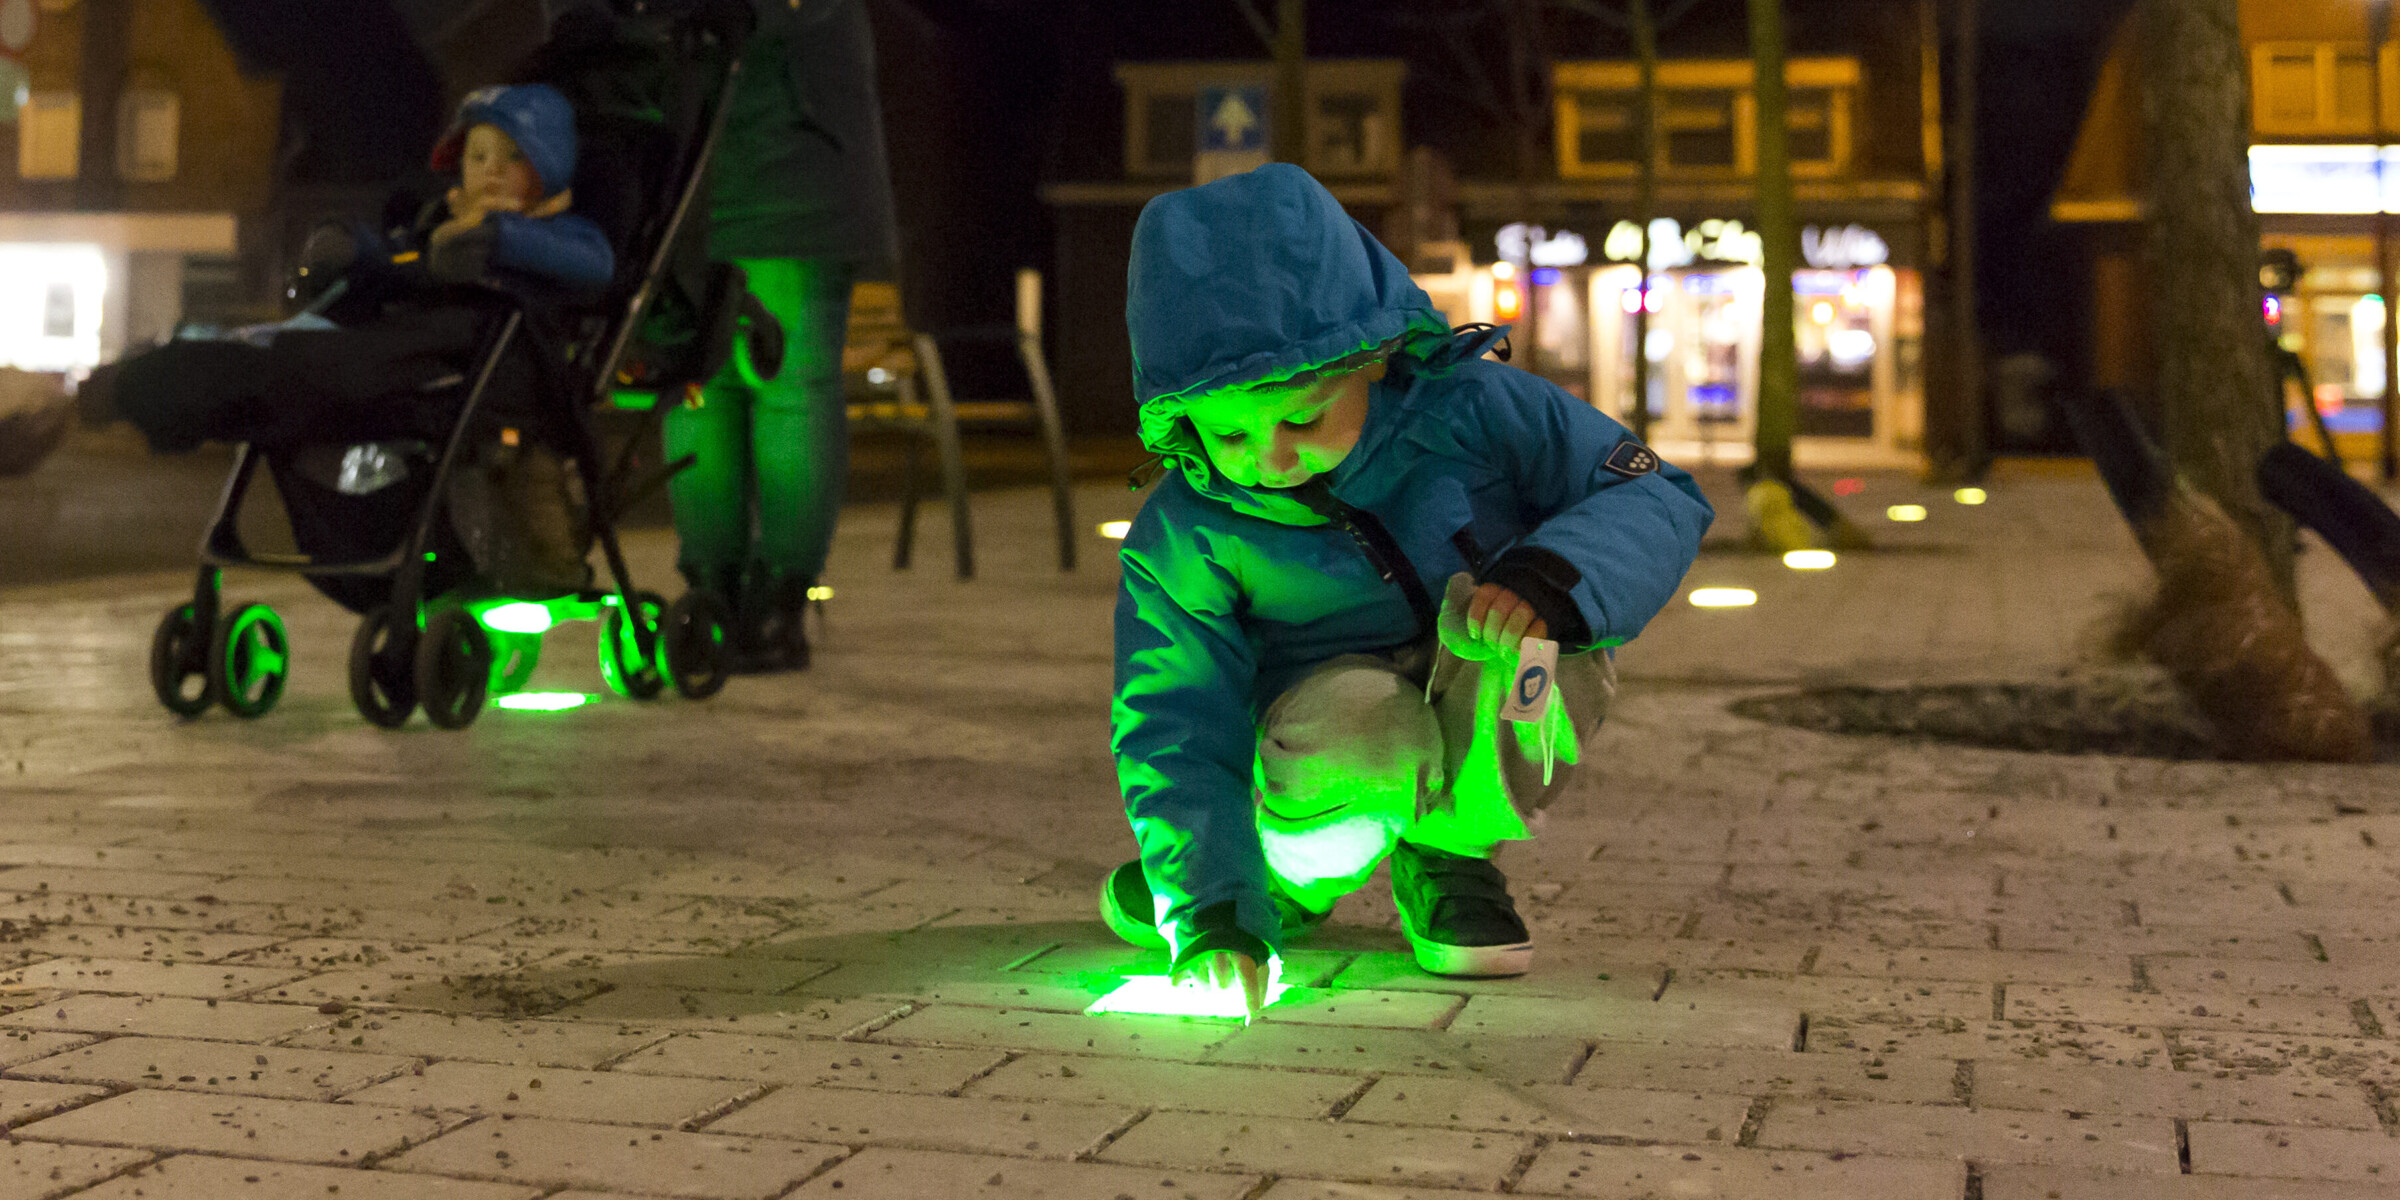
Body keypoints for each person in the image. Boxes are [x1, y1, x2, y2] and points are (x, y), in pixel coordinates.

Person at [1101, 164, 1714, 1018]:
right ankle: (1273, 880)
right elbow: (1176, 718)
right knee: (1367, 718)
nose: (1270, 457)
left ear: (1369, 357)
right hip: (1321, 745)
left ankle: (1451, 856)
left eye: (1303, 418)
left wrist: (1552, 579)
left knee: (1553, 655)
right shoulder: (1187, 533)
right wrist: (1210, 905)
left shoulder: (1473, 411)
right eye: (1230, 431)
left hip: (1475, 675)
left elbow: (1653, 491)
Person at [76, 83, 612, 457]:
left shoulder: (557, 230)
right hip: (411, 340)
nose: (491, 170)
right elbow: (402, 257)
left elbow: (595, 263)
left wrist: (501, 240)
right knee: (280, 344)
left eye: (513, 157)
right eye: (477, 156)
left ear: (548, 167)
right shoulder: (439, 222)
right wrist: (351, 249)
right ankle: (170, 368)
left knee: (313, 364)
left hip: (479, 355)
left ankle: (170, 380)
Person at [654, 0, 899, 672]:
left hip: (739, 164)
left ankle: (728, 597)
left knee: (710, 384)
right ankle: (763, 601)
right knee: (771, 385)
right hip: (762, 163)